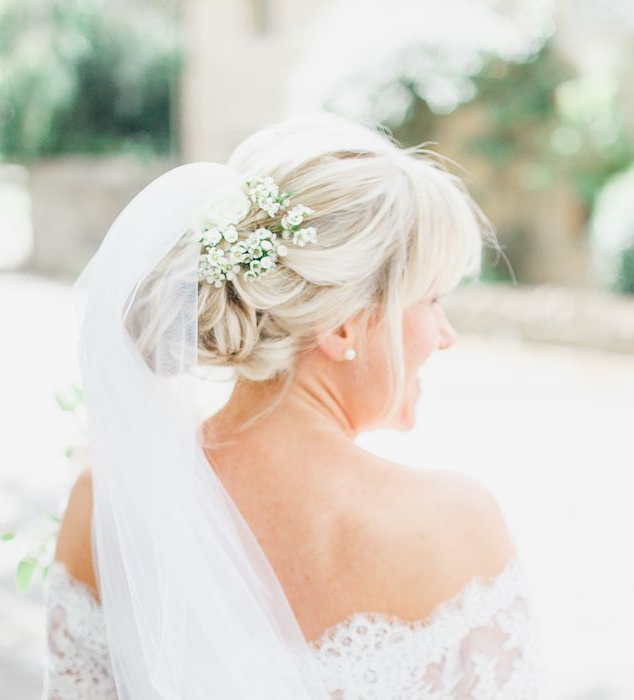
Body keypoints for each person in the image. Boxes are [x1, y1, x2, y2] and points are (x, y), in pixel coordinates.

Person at [43, 112, 542, 699]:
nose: (444, 333)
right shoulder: (456, 525)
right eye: (430, 299)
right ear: (345, 326)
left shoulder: (109, 500)